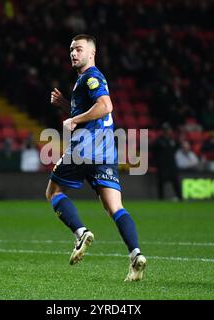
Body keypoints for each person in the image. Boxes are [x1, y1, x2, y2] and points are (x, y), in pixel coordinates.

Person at [46, 34, 146, 281]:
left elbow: (105, 106)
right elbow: (92, 111)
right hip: (105, 151)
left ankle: (80, 232)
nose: (73, 53)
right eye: (71, 49)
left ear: (92, 54)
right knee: (115, 207)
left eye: (78, 49)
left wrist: (74, 119)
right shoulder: (85, 80)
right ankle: (136, 255)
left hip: (85, 148)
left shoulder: (91, 76)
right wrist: (65, 105)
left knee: (53, 192)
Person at [151, 123, 182, 200]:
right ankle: (161, 198)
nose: (169, 131)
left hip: (171, 164)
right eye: (168, 129)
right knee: (161, 183)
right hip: (162, 165)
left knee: (175, 182)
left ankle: (180, 197)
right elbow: (154, 151)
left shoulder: (172, 140)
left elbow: (177, 147)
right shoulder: (158, 141)